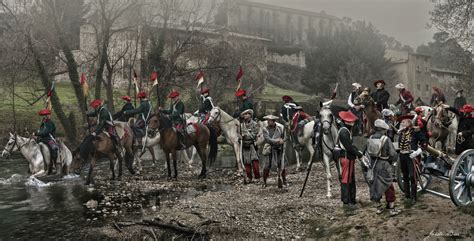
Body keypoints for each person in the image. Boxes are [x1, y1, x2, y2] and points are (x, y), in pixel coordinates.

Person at [367, 119, 399, 216]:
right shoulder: (386, 139)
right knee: (389, 185)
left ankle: (379, 207)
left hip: (373, 165)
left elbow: (368, 152)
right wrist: (392, 159)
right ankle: (391, 208)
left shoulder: (371, 137)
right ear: (384, 129)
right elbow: (393, 154)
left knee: (375, 186)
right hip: (384, 165)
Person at [337, 111, 363, 208]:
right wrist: (358, 154)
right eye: (350, 121)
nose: (352, 123)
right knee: (346, 180)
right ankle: (346, 202)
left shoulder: (346, 130)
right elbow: (349, 147)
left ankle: (352, 199)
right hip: (346, 157)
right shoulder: (344, 131)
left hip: (349, 157)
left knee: (350, 179)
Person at [262, 115, 287, 188]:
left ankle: (284, 180)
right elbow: (267, 139)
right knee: (267, 165)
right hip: (270, 148)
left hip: (279, 148)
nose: (268, 121)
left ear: (274, 121)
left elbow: (286, 137)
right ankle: (264, 181)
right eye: (268, 120)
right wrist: (277, 141)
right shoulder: (265, 129)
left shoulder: (281, 128)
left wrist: (283, 140)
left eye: (270, 120)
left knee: (281, 164)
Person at [397, 114, 418, 202]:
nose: (402, 123)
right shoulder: (402, 132)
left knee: (412, 176)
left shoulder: (415, 131)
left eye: (404, 122)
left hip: (410, 156)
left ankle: (414, 196)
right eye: (402, 122)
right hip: (402, 156)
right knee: (405, 176)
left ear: (409, 122)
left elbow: (424, 142)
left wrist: (417, 152)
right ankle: (407, 196)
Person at [35, 109, 58, 175]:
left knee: (54, 148)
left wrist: (38, 133)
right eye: (44, 115)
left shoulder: (50, 123)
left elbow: (46, 132)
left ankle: (53, 165)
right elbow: (41, 130)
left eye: (47, 115)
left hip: (49, 138)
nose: (46, 116)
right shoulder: (43, 123)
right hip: (42, 139)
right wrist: (37, 133)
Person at [240, 109, 260, 182]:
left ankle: (257, 177)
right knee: (246, 162)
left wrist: (246, 135)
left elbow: (254, 135)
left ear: (250, 115)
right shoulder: (241, 125)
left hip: (252, 145)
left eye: (247, 114)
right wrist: (240, 137)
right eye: (244, 114)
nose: (245, 115)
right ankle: (249, 177)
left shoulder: (254, 124)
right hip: (244, 145)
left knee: (255, 161)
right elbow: (239, 135)